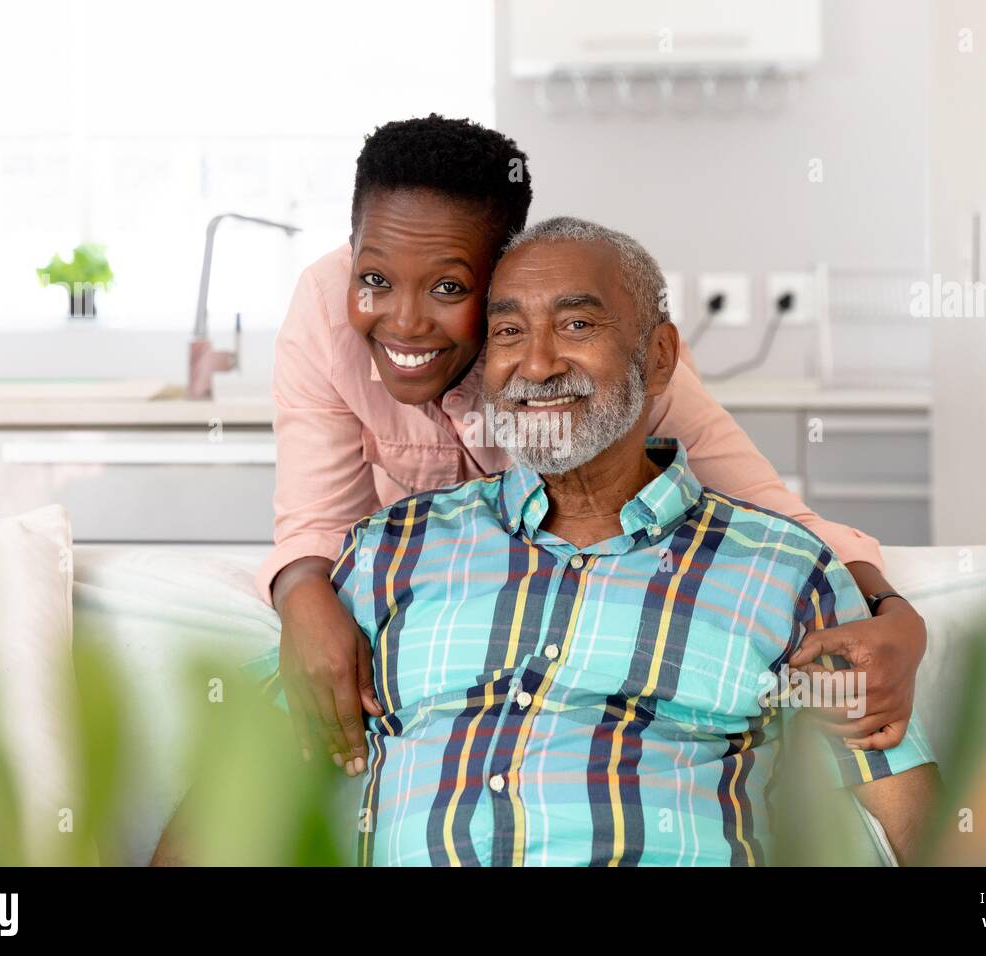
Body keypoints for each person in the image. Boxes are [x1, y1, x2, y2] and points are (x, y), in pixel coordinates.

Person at [260, 115, 926, 780]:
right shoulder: (324, 315)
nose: (403, 320)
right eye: (374, 278)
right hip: (440, 593)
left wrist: (894, 614)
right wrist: (304, 594)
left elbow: (776, 517)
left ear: (503, 281)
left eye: (448, 288)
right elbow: (316, 525)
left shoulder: (613, 371)